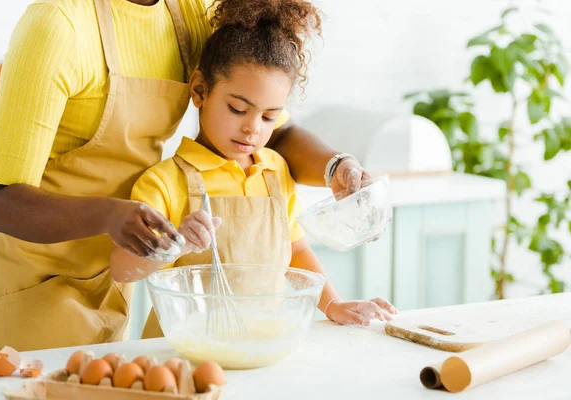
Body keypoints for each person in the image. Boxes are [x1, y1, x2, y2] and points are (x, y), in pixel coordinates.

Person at [0, 0, 379, 353]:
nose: (254, 125)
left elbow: (273, 133)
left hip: (122, 261)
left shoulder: (188, 13)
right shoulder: (57, 26)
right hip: (31, 274)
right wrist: (112, 216)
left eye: (265, 117)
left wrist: (336, 167)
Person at [110, 0, 398, 339]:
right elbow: (122, 269)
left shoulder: (276, 171)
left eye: (268, 117)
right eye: (237, 108)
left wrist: (333, 304)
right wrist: (178, 244)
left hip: (263, 343)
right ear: (200, 90)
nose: (252, 129)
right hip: (181, 350)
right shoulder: (163, 182)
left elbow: (296, 251)